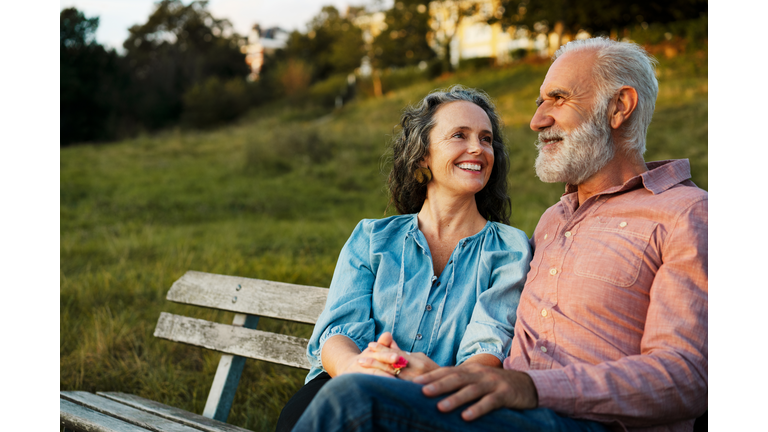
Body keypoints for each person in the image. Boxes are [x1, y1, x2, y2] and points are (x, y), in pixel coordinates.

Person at [291, 37, 707, 432]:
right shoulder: (554, 221)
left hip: (578, 419)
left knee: (356, 402)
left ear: (619, 107)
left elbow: (687, 375)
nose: (536, 120)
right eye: (539, 102)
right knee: (343, 397)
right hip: (499, 412)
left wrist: (525, 387)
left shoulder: (686, 214)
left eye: (558, 99)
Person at [274, 85, 533, 431]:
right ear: (423, 155)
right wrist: (357, 370)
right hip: (347, 385)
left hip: (439, 400)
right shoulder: (372, 238)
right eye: (460, 135)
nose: (478, 148)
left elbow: (488, 349)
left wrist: (426, 376)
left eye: (486, 139)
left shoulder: (509, 249)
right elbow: (337, 332)